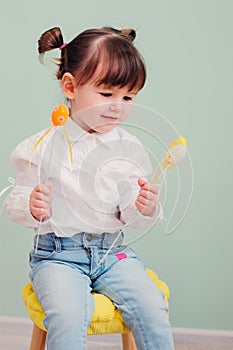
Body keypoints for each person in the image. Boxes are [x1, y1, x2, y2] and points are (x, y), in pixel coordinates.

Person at [7, 26, 174, 349]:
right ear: (70, 86)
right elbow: (16, 202)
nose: (118, 107)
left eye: (128, 97)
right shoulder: (40, 146)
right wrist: (30, 204)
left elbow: (128, 215)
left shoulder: (130, 148)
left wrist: (143, 206)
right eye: (107, 94)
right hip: (58, 256)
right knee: (68, 315)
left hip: (113, 252)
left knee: (151, 306)